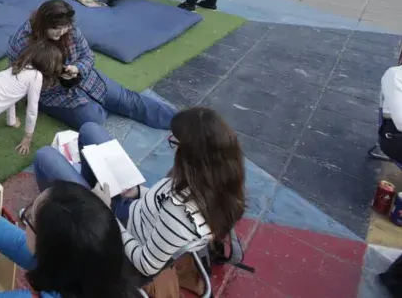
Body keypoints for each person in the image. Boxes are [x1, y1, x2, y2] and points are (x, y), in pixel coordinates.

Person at [33, 107, 246, 281]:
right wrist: (137, 192)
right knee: (90, 129)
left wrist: (106, 213)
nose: (173, 147)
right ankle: (86, 191)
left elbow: (146, 266)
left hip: (116, 236)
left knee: (45, 158)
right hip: (134, 211)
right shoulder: (216, 181)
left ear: (192, 156)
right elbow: (164, 200)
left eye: (176, 143)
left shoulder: (179, 216)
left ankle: (71, 215)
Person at [0, 164, 138, 298]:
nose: (22, 221)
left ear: (48, 250)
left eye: (29, 218)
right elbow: (16, 243)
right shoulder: (93, 271)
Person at [8, 0, 175, 131]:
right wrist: (52, 77)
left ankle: (182, 123)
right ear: (43, 24)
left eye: (65, 27)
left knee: (127, 100)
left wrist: (77, 68)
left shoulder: (71, 30)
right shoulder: (22, 41)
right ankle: (94, 105)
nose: (61, 32)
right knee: (95, 119)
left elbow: (88, 56)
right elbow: (17, 76)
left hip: (87, 79)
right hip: (54, 94)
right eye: (56, 29)